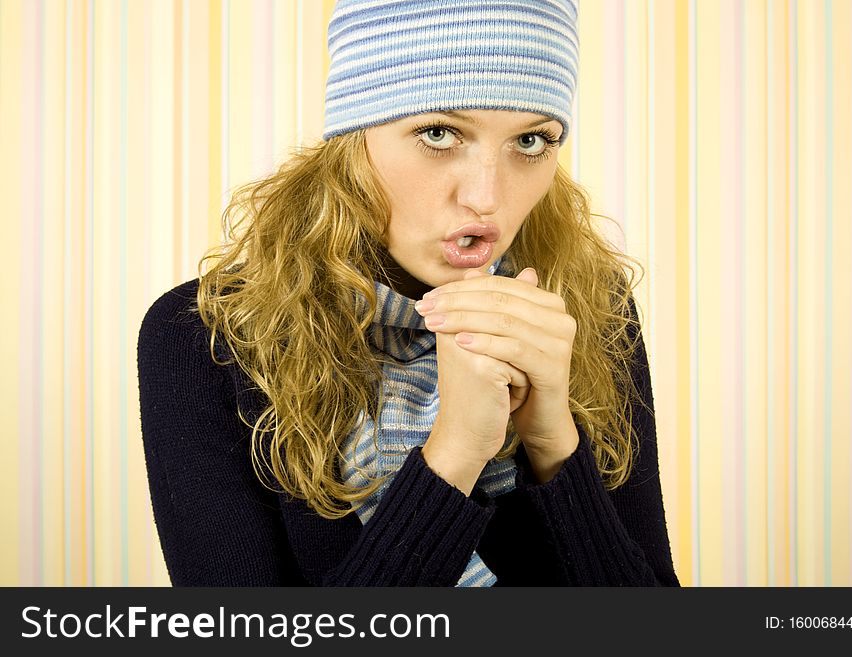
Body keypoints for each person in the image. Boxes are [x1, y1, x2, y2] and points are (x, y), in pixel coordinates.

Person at [137, 0, 679, 587]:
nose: (486, 197)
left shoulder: (587, 303)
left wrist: (550, 438)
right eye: (439, 133)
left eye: (530, 141)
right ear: (354, 139)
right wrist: (457, 450)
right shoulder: (208, 333)